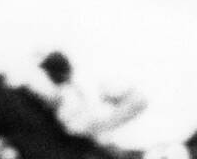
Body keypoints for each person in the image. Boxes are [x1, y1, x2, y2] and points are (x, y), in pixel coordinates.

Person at [16, 51, 147, 150]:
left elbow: (139, 100)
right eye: (49, 72)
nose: (50, 76)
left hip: (111, 145)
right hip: (85, 149)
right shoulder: (60, 97)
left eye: (52, 71)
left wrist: (110, 124)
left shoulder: (90, 84)